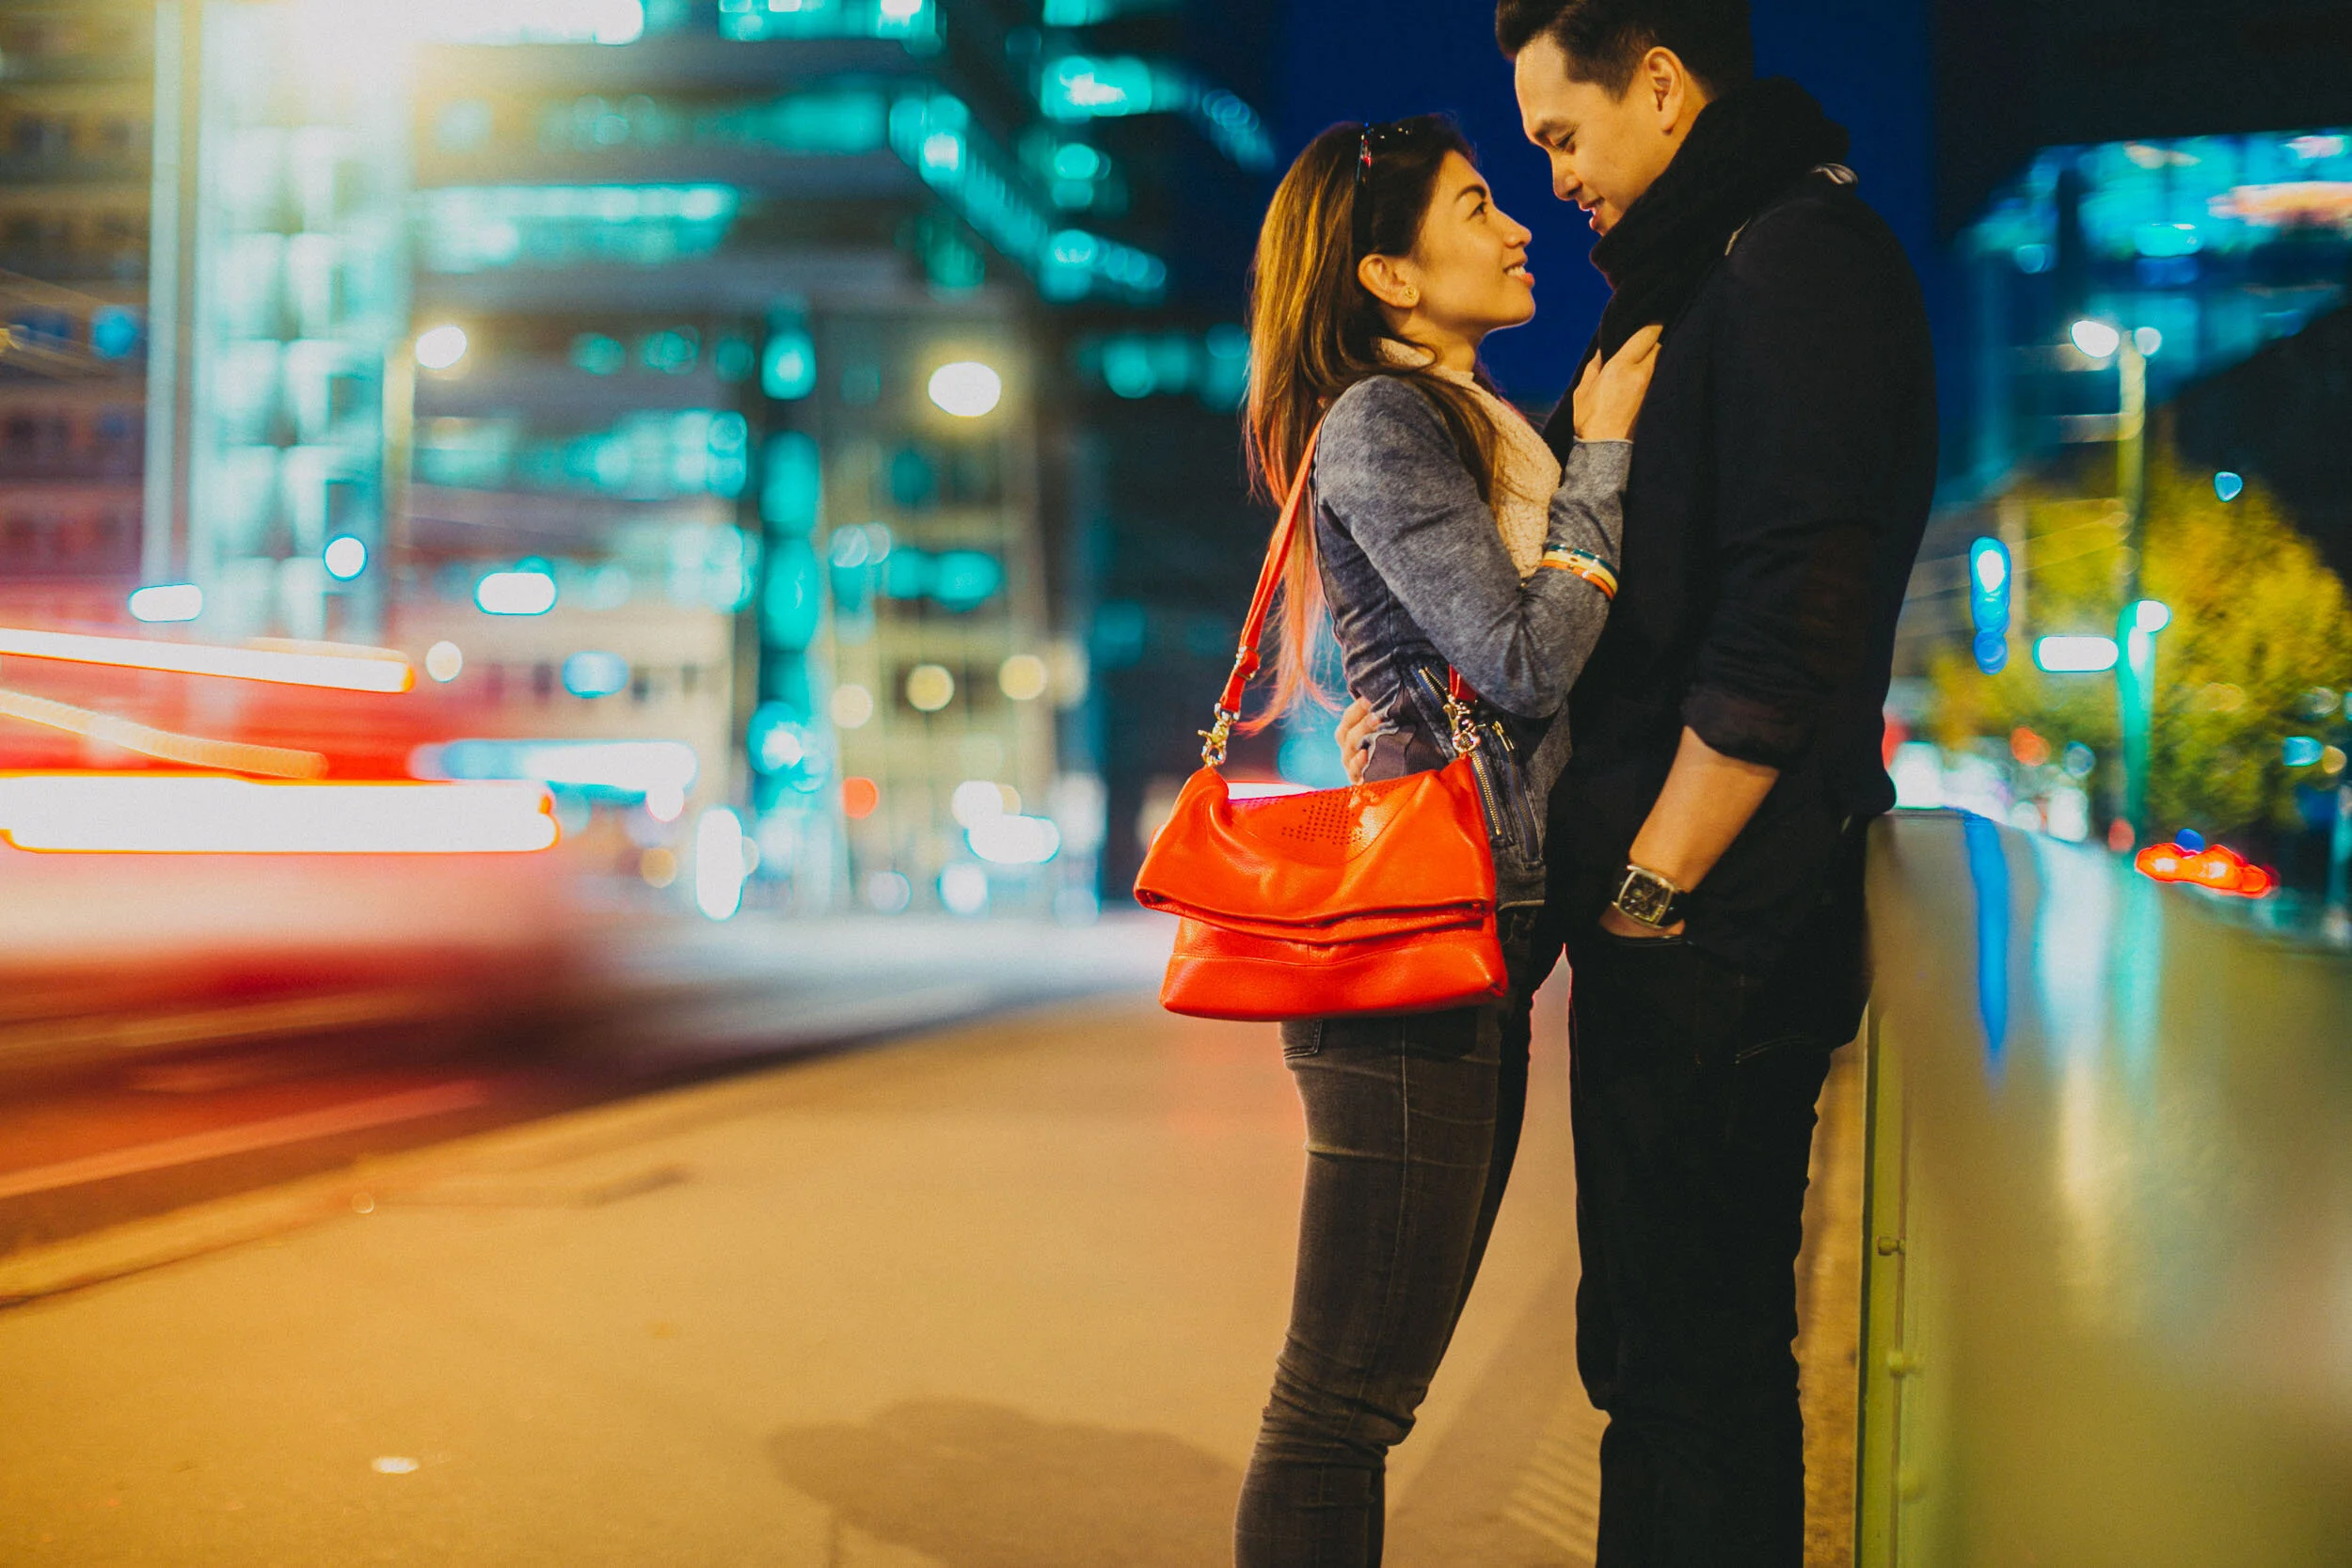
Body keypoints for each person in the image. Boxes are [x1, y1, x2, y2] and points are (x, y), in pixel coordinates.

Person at [1347, 0, 1941, 1560]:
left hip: (1718, 931)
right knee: (1654, 1359)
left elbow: (1792, 610)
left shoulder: (1799, 262)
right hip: (1679, 935)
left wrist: (1653, 879)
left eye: (1560, 135)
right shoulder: (1708, 278)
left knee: (1696, 1370)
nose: (1554, 182)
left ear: (1663, 87)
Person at [1231, 115, 1662, 1567]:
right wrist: (1604, 458)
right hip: (1411, 960)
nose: (1519, 223)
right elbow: (1523, 658)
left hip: (1471, 945)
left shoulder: (1468, 418)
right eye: (1479, 205)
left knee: (1369, 1391)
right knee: (1343, 1399)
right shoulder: (1382, 423)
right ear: (1391, 278)